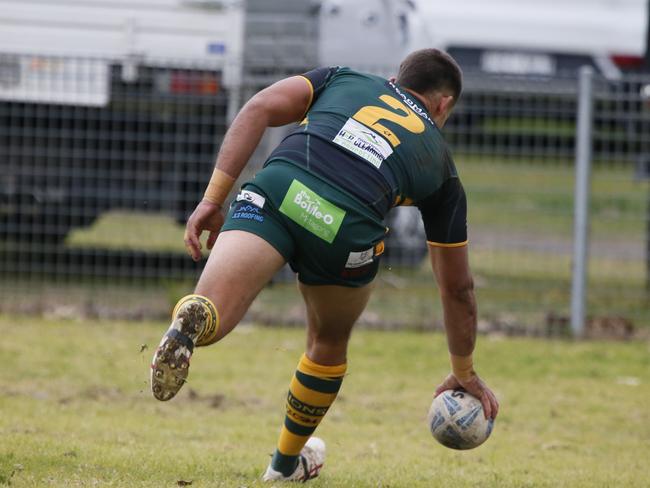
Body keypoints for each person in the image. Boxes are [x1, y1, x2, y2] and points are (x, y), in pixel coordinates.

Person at [150, 48, 499, 482]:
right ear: (443, 104)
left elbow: (258, 108)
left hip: (280, 187)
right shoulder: (443, 169)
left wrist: (211, 200)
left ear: (395, 78)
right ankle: (283, 465)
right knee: (327, 341)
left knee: (216, 310)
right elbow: (457, 288)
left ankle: (196, 318)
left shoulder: (343, 77)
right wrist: (463, 372)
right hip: (345, 228)